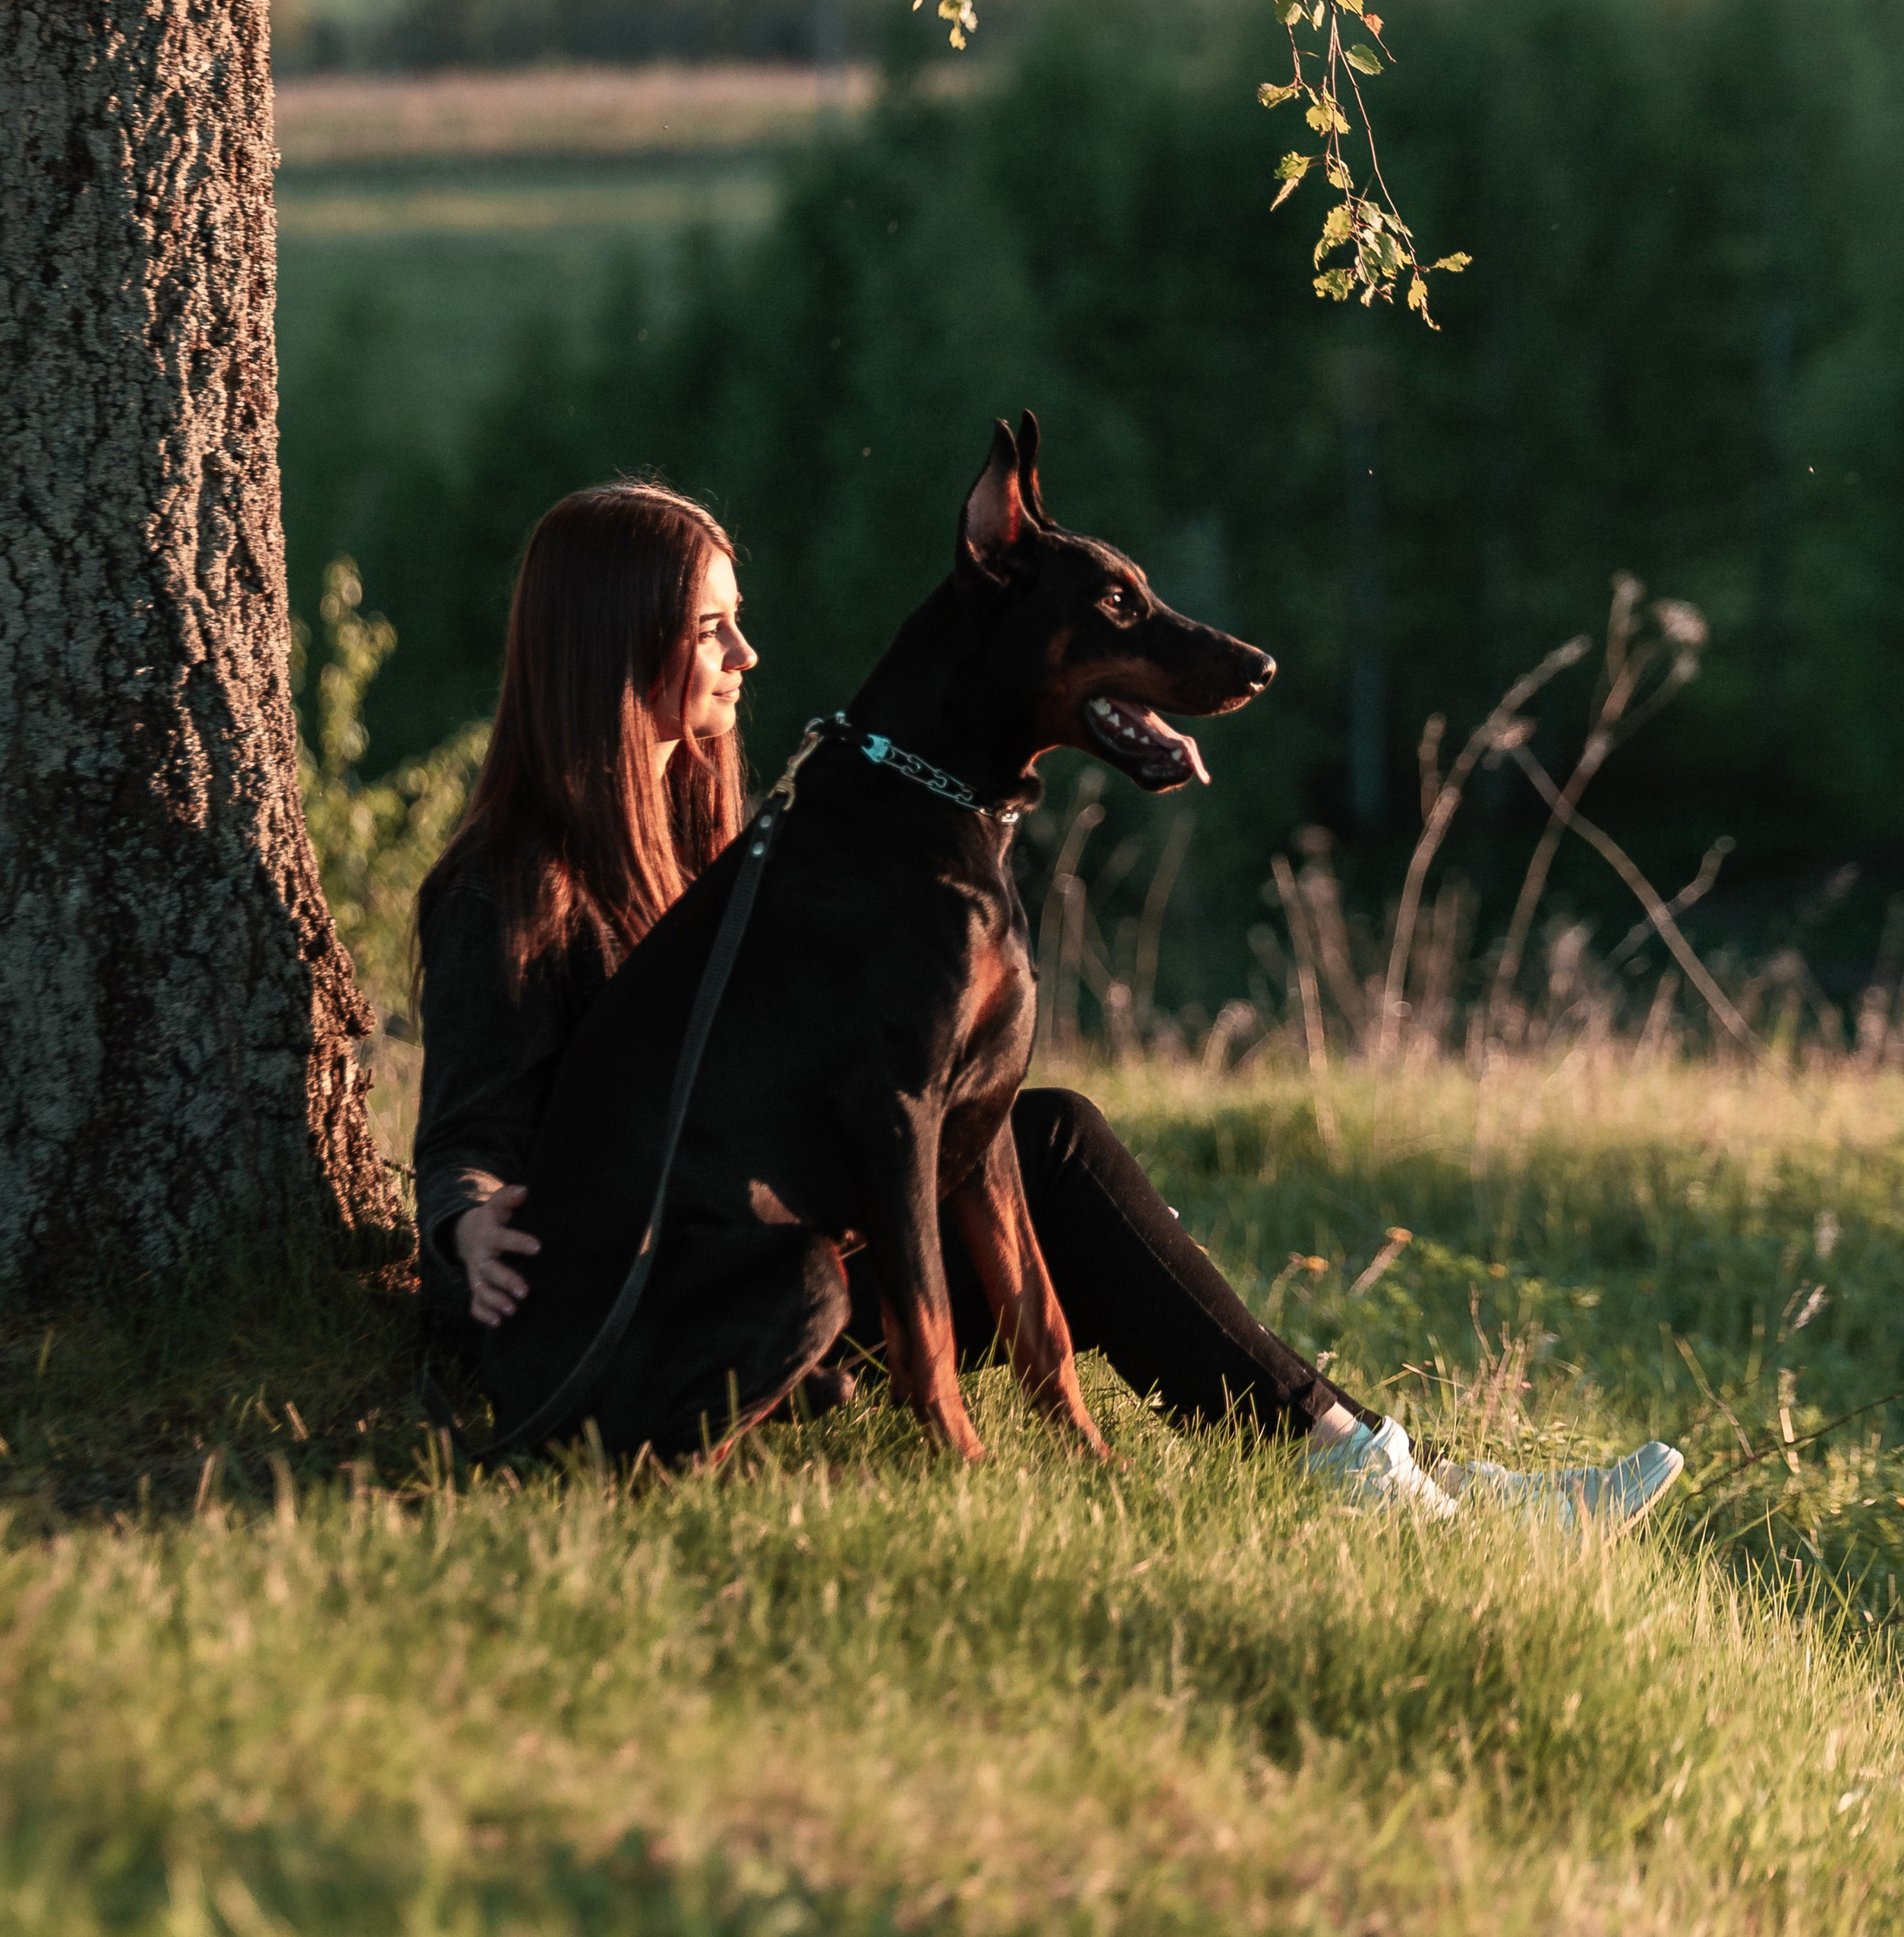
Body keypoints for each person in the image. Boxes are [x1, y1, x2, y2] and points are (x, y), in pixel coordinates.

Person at [413, 477, 1681, 1526]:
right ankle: (1382, 1481)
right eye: (707, 630)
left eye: (737, 622)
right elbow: (472, 1132)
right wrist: (466, 1221)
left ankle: (1397, 1476)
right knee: (1054, 1143)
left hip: (801, 1275)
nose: (746, 653)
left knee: (1046, 1135)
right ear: (609, 641)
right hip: (691, 1327)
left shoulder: (731, 847)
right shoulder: (510, 889)